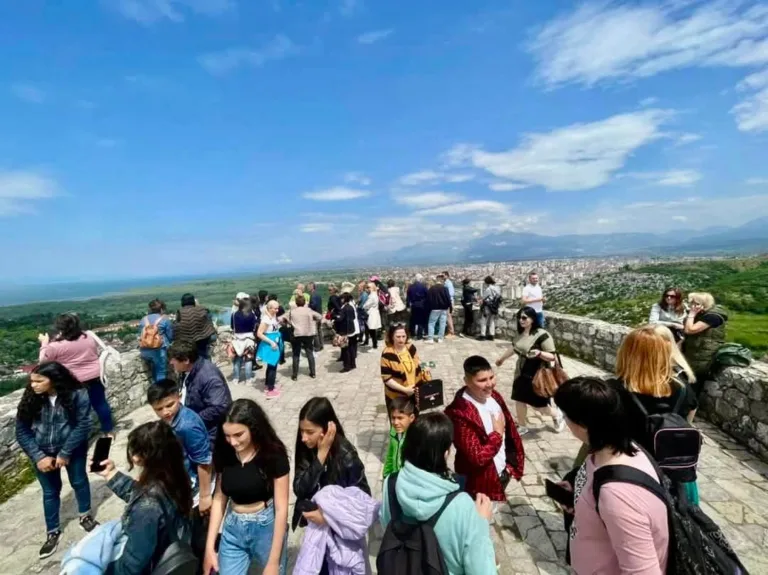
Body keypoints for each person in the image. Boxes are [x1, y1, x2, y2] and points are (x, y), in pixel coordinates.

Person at [553, 377, 670, 574]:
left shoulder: (617, 496)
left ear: (583, 424)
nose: (565, 420)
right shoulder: (618, 448)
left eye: (565, 415)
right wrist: (578, 496)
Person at [379, 412, 497, 575]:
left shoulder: (390, 484)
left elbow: (388, 525)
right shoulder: (462, 505)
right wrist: (480, 523)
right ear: (445, 453)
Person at [15, 362, 98, 559]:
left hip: (73, 448)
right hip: (42, 451)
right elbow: (22, 430)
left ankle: (85, 515)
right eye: (32, 381)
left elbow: (84, 424)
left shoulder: (77, 394)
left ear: (53, 380)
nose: (33, 385)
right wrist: (39, 456)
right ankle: (52, 531)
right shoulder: (31, 398)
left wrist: (65, 452)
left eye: (39, 381)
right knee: (50, 492)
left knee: (79, 481)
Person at [93, 421, 193, 575]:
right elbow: (143, 493)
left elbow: (133, 564)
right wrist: (111, 474)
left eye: (136, 451)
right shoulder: (175, 475)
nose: (133, 457)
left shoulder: (145, 510)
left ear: (144, 457)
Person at [204, 400, 289, 575]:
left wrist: (273, 562)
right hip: (233, 527)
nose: (233, 442)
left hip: (266, 526)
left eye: (238, 435)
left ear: (254, 428)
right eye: (227, 436)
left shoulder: (273, 454)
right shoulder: (225, 452)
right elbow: (220, 497)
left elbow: (281, 508)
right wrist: (209, 547)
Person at [617, 326, 700, 504]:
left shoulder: (615, 390)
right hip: (671, 468)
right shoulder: (682, 388)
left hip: (628, 468)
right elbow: (688, 419)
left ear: (626, 353)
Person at [445, 356, 525, 502]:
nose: (489, 384)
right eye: (482, 380)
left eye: (491, 377)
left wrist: (510, 467)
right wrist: (497, 434)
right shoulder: (459, 414)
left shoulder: (494, 396)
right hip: (480, 483)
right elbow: (478, 457)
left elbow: (511, 431)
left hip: (502, 471)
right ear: (467, 381)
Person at [146, 378, 213, 552]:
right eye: (159, 409)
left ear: (179, 396)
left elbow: (204, 461)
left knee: (199, 534)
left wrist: (205, 496)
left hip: (195, 488)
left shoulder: (187, 425)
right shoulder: (170, 421)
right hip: (181, 482)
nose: (165, 412)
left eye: (169, 405)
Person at [293, 397, 371, 527]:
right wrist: (320, 458)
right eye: (302, 431)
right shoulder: (306, 448)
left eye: (310, 432)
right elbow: (300, 489)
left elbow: (363, 500)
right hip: (312, 522)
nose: (303, 438)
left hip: (339, 526)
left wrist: (328, 518)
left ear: (327, 429)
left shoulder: (346, 456)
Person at [38, 312, 114, 435]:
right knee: (100, 404)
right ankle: (108, 431)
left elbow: (42, 362)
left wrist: (44, 343)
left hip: (73, 381)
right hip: (94, 375)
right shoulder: (88, 337)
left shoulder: (55, 346)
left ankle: (79, 438)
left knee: (75, 411)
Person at [496, 306, 566, 435]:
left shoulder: (542, 335)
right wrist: (502, 359)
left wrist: (539, 353)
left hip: (536, 374)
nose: (521, 320)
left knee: (538, 406)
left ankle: (557, 415)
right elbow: (514, 348)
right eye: (519, 317)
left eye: (524, 318)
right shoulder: (520, 334)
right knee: (519, 400)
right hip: (521, 373)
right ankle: (522, 426)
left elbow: (552, 356)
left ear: (532, 319)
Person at [168, 340, 232, 445]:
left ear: (186, 360)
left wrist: (191, 420)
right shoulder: (188, 370)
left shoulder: (209, 377)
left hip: (209, 435)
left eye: (173, 359)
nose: (171, 362)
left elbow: (219, 407)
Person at [683, 292, 728, 392]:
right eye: (691, 303)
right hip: (694, 354)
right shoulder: (702, 313)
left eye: (695, 303)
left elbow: (690, 330)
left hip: (704, 356)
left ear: (704, 304)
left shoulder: (713, 317)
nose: (692, 306)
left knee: (693, 385)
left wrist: (691, 314)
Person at [380, 323, 426, 412]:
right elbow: (387, 379)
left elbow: (417, 363)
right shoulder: (387, 354)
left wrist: (425, 368)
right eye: (398, 337)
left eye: (403, 336)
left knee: (413, 418)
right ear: (392, 337)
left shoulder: (411, 348)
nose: (401, 340)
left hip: (414, 393)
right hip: (396, 396)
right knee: (399, 419)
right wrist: (405, 390)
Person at [287, 295, 323, 380]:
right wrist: (313, 321)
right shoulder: (309, 310)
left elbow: (283, 319)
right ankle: (313, 373)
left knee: (296, 354)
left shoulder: (292, 312)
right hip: (308, 333)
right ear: (304, 303)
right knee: (309, 353)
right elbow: (320, 316)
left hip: (297, 334)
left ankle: (295, 375)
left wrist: (291, 323)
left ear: (296, 303)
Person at [138, 299, 174, 383]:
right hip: (159, 350)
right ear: (161, 309)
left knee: (153, 370)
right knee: (161, 372)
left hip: (145, 350)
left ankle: (154, 388)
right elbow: (170, 336)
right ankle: (160, 390)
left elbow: (140, 334)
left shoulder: (143, 319)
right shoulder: (164, 319)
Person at [383, 395, 418, 478]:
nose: (395, 422)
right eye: (393, 418)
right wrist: (386, 476)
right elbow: (390, 455)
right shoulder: (393, 431)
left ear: (411, 418)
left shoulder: (415, 438)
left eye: (400, 418)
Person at [175, 293, 217, 360]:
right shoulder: (202, 309)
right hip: (203, 338)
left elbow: (177, 327)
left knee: (191, 358)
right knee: (203, 355)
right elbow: (208, 321)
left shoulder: (180, 312)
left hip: (187, 340)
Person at [256, 299, 284, 398]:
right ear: (270, 308)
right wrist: (271, 342)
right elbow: (259, 333)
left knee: (271, 365)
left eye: (277, 308)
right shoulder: (266, 319)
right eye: (275, 308)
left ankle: (268, 384)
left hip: (274, 342)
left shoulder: (271, 316)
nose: (277, 310)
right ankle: (270, 390)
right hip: (271, 344)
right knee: (272, 366)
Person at [230, 295, 257, 385]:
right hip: (249, 339)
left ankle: (236, 378)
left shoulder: (234, 314)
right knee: (248, 360)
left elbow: (232, 326)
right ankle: (248, 379)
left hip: (238, 339)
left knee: (237, 360)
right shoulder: (251, 315)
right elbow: (254, 326)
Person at [334, 292, 360, 373]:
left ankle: (347, 366)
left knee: (345, 349)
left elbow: (340, 319)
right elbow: (354, 317)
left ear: (344, 299)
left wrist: (335, 316)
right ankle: (353, 364)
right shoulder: (351, 307)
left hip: (345, 331)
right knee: (351, 348)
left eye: (342, 298)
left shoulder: (344, 308)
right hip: (352, 330)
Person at [426, 274, 452, 344]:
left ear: (436, 280)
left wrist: (428, 308)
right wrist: (450, 307)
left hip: (434, 308)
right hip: (444, 308)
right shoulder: (445, 288)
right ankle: (440, 338)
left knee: (431, 323)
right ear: (442, 280)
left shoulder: (432, 288)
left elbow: (428, 299)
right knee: (442, 323)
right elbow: (448, 299)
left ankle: (431, 338)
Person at [478, 276, 501, 341]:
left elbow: (483, 298)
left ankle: (482, 335)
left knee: (484, 321)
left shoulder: (488, 289)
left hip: (487, 307)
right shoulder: (497, 288)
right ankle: (491, 335)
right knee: (492, 321)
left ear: (487, 282)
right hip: (494, 307)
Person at [406, 273, 429, 340]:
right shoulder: (423, 287)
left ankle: (412, 334)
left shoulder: (411, 287)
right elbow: (427, 296)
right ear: (420, 279)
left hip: (414, 305)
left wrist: (408, 306)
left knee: (413, 320)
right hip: (422, 305)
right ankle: (419, 335)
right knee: (421, 320)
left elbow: (408, 298)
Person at [362, 281, 382, 351]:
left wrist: (364, 306)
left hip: (372, 314)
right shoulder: (374, 295)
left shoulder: (372, 296)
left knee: (372, 330)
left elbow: (366, 305)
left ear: (372, 288)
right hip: (374, 313)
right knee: (372, 330)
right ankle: (375, 344)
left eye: (368, 287)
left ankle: (374, 346)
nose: (367, 288)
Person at [307, 282, 325, 352]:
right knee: (319, 330)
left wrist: (308, 306)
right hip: (319, 314)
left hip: (315, 315)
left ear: (312, 287)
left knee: (315, 332)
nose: (307, 287)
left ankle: (317, 347)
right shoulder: (318, 294)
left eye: (308, 286)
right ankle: (321, 344)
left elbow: (313, 305)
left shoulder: (312, 295)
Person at [356, 280, 370, 346]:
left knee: (364, 326)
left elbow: (362, 305)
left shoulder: (364, 294)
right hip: (361, 312)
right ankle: (361, 338)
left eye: (359, 287)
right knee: (362, 326)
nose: (358, 288)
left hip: (362, 312)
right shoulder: (363, 294)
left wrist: (357, 304)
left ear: (362, 287)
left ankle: (365, 340)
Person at [443, 270, 456, 337]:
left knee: (448, 317)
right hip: (448, 301)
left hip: (449, 302)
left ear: (447, 276)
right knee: (448, 317)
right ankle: (450, 332)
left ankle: (451, 332)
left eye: (443, 275)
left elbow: (451, 293)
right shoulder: (446, 283)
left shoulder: (448, 283)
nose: (442, 277)